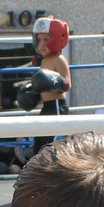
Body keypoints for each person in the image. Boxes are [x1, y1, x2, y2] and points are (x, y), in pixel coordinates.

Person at [30, 16, 70, 157]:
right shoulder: (44, 60)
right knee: (40, 146)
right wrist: (32, 93)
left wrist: (51, 81)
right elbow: (42, 87)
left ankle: (58, 177)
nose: (41, 44)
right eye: (39, 39)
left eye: (46, 39)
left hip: (57, 107)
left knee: (54, 149)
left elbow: (66, 83)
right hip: (46, 107)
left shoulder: (59, 59)